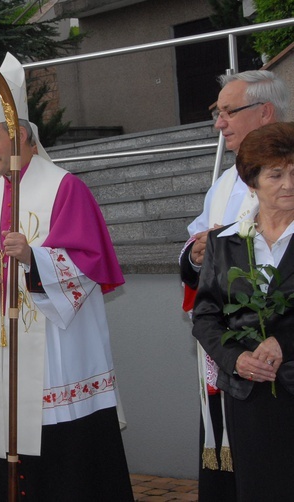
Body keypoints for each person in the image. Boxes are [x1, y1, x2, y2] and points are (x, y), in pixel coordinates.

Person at [0, 53, 133, 501]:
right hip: (5, 348)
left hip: (58, 350)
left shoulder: (64, 187)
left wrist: (35, 258)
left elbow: (91, 263)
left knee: (67, 469)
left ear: (22, 137)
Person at [179, 70, 289, 500]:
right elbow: (198, 275)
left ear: (264, 112)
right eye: (217, 113)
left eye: (228, 112)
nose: (218, 123)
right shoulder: (224, 183)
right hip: (240, 367)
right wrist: (200, 253)